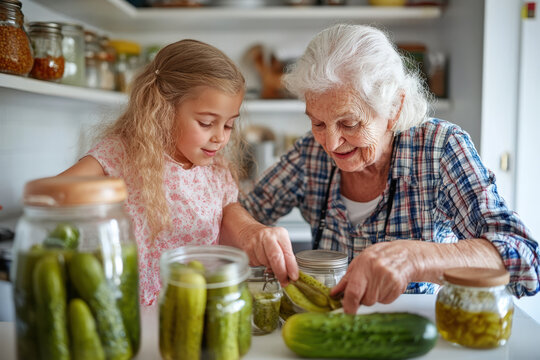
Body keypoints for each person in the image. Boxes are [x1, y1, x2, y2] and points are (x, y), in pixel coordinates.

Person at [220, 24, 540, 314]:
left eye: (349, 122)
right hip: (333, 327)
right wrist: (250, 231)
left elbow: (524, 259)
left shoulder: (441, 148)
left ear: (393, 108)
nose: (330, 143)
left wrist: (415, 258)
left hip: (416, 329)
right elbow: (229, 215)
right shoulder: (310, 154)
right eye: (317, 122)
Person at [59, 39, 246, 307]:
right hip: (128, 309)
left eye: (228, 125)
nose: (220, 138)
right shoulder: (121, 154)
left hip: (192, 310)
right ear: (163, 110)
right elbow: (57, 190)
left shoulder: (217, 172)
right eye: (206, 123)